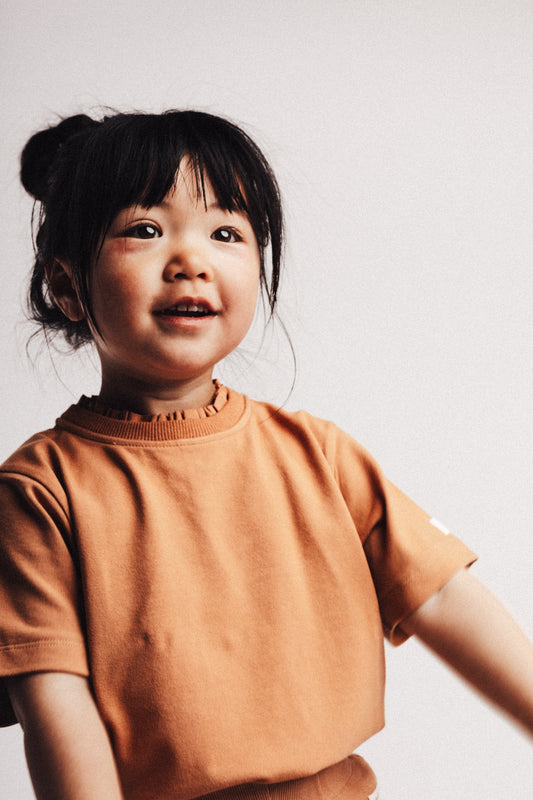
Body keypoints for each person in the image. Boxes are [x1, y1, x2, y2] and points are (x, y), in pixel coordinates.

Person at [0, 109, 531, 800]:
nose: (190, 260)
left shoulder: (317, 454)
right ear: (68, 285)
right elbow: (54, 703)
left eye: (225, 233)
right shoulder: (40, 492)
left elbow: (445, 598)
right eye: (145, 230)